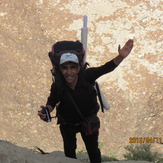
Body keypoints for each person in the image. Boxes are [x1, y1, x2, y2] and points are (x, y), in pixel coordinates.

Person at [38, 39, 134, 163]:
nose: (69, 72)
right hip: (67, 124)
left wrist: (121, 57)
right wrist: (46, 111)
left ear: (78, 68)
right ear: (60, 69)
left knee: (93, 150)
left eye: (73, 67)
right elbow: (52, 101)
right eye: (65, 68)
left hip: (88, 121)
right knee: (69, 152)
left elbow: (106, 68)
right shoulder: (58, 84)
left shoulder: (88, 76)